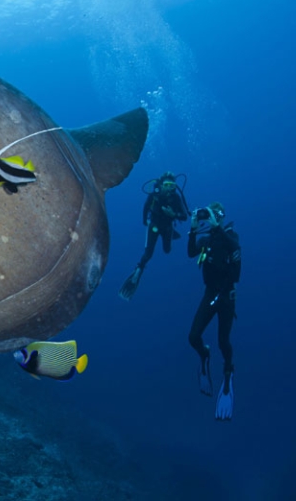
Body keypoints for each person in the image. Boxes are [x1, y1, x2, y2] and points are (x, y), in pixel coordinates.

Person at [187, 202, 241, 421]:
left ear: (221, 217)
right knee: (193, 337)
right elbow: (191, 252)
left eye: (215, 215)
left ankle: (228, 371)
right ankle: (204, 355)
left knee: (223, 341)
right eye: (209, 215)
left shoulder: (231, 236)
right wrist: (193, 229)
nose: (211, 219)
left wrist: (218, 228)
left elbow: (235, 249)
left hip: (226, 297)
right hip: (210, 294)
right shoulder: (207, 240)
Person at [119, 171, 189, 300]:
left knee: (167, 250)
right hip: (154, 226)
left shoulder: (176, 198)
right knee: (148, 254)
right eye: (166, 184)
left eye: (172, 185)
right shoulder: (154, 195)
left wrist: (173, 214)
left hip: (167, 227)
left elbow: (185, 216)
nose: (169, 188)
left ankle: (171, 234)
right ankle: (139, 269)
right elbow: (146, 207)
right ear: (161, 185)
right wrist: (144, 220)